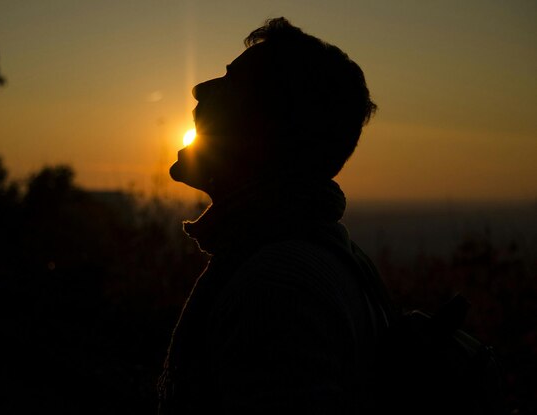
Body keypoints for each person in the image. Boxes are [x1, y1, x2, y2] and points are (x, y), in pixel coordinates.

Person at [158, 17, 389, 415]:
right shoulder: (318, 251)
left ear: (261, 131)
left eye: (230, 83)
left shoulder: (275, 285)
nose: (199, 89)